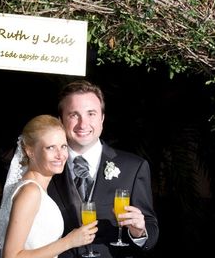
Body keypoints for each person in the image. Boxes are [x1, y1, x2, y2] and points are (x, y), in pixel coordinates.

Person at [48, 80, 159, 257]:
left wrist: (139, 232)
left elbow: (151, 231)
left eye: (91, 114)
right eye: (74, 115)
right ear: (61, 120)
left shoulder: (134, 167)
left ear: (102, 118)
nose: (83, 124)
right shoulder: (45, 168)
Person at [0, 114, 98, 258]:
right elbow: (11, 256)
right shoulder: (30, 192)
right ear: (30, 151)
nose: (60, 155)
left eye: (63, 146)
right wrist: (69, 241)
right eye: (50, 148)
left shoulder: (37, 189)